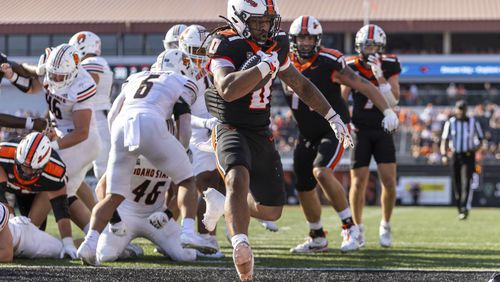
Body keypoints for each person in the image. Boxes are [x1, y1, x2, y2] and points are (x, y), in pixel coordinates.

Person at [202, 0, 373, 280]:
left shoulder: (275, 44)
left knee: (271, 211)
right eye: (257, 21)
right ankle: (241, 246)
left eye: (267, 21)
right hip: (230, 126)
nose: (264, 27)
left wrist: (332, 116)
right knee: (237, 177)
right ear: (239, 19)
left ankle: (224, 205)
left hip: (260, 129)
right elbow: (228, 90)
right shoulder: (225, 42)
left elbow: (301, 84)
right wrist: (262, 67)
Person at [77, 49, 213, 266]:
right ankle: (188, 230)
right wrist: (181, 150)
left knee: (113, 196)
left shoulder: (137, 78)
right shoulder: (179, 81)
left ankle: (89, 242)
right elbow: (184, 121)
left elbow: (113, 113)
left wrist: (120, 146)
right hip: (151, 125)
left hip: (124, 126)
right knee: (188, 179)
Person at [285, 16, 398, 253]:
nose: (305, 43)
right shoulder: (283, 61)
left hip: (334, 128)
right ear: (293, 40)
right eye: (301, 38)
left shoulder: (329, 61)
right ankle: (317, 237)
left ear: (317, 40)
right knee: (303, 187)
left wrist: (387, 110)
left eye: (309, 38)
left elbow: (364, 86)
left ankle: (351, 229)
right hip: (305, 133)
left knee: (321, 171)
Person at [1, 44, 100, 221]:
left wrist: (50, 146)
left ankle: (29, 228)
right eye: (51, 73)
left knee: (50, 182)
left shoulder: (82, 84)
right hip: (62, 137)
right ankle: (101, 230)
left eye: (59, 76)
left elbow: (82, 132)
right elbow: (32, 87)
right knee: (67, 193)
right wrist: (13, 76)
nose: (53, 79)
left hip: (81, 142)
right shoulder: (51, 69)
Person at [342, 24, 401, 248]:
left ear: (381, 46)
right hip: (360, 130)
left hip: (384, 128)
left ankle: (385, 224)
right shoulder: (351, 66)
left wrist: (380, 78)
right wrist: (344, 122)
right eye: (367, 45)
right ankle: (358, 229)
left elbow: (394, 100)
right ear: (359, 47)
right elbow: (341, 98)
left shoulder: (389, 64)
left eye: (375, 45)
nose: (371, 50)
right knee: (358, 182)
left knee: (389, 181)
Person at [94, 156, 196, 263]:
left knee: (188, 255)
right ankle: (129, 249)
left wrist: (167, 214)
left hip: (155, 216)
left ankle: (166, 246)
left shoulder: (170, 151)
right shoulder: (131, 151)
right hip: (126, 215)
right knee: (105, 255)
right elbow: (101, 187)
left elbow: (183, 191)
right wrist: (115, 218)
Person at [179, 24, 225, 258]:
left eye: (203, 49)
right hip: (190, 131)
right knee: (202, 184)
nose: (198, 54)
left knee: (213, 184)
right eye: (194, 49)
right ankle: (198, 235)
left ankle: (206, 236)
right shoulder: (179, 70)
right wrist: (206, 124)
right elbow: (181, 111)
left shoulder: (212, 68)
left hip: (207, 131)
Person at [0, 132, 78, 259]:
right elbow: (1, 197)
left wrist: (67, 242)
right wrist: (10, 219)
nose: (25, 172)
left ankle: (83, 240)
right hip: (14, 224)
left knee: (43, 237)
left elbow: (61, 209)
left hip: (36, 193)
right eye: (23, 166)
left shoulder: (54, 170)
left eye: (31, 169)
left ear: (44, 165)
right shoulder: (4, 153)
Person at [69, 31, 114, 181]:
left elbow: (89, 83)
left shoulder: (94, 62)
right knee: (74, 170)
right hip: (95, 117)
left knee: (102, 169)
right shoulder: (95, 62)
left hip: (97, 118)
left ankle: (109, 203)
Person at [441, 100, 484, 220]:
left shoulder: (473, 122)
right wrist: (444, 155)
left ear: (465, 110)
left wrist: (474, 149)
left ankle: (465, 207)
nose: (460, 111)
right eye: (459, 108)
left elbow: (481, 140)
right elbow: (444, 140)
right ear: (456, 110)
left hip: (468, 155)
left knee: (466, 181)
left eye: (462, 109)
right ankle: (460, 207)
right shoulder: (450, 123)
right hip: (455, 155)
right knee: (457, 183)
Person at [0, 203, 70, 262]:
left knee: (63, 250)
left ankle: (76, 244)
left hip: (24, 237)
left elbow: (7, 254)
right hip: (12, 235)